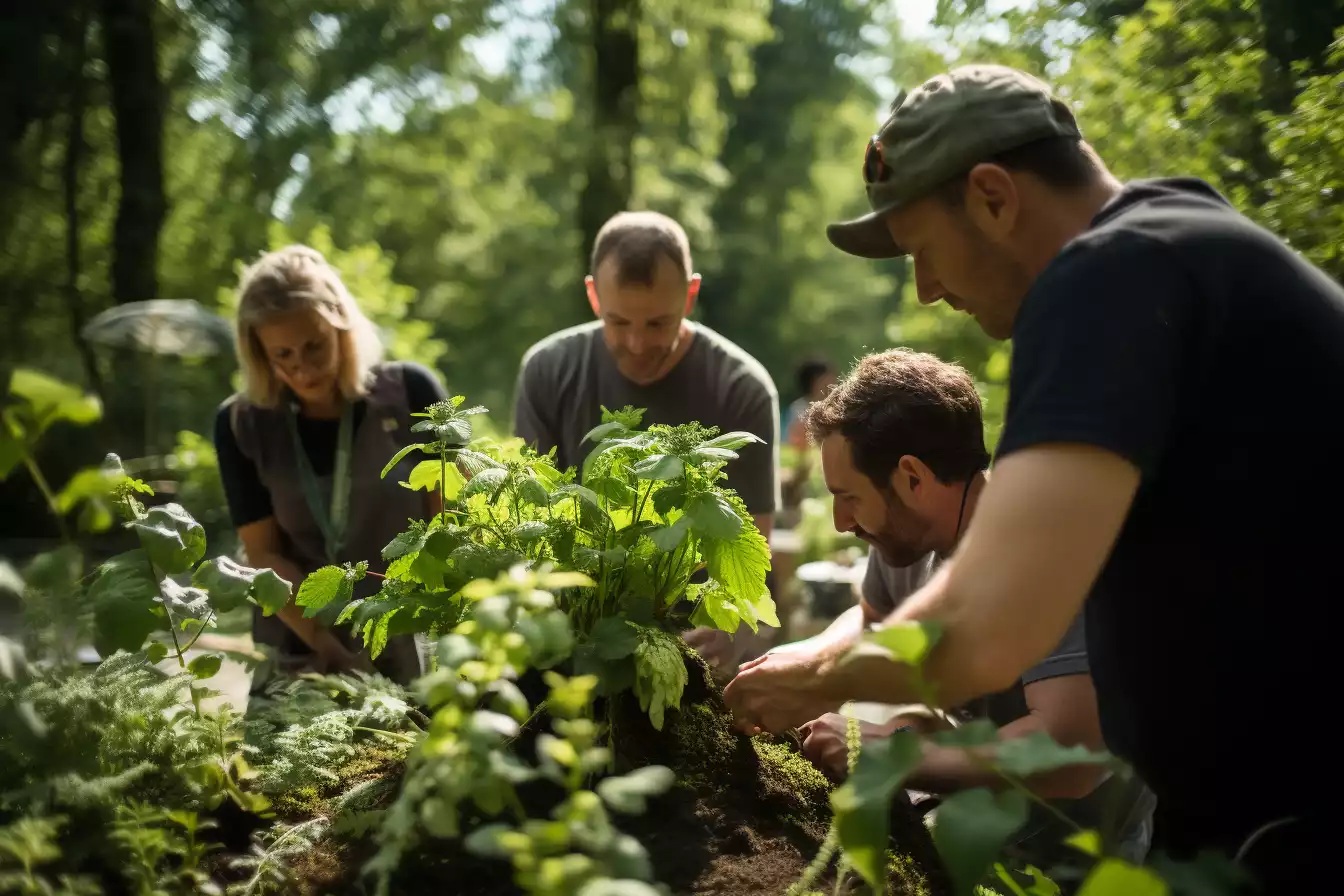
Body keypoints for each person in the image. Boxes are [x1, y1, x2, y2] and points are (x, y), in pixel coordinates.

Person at [724, 63, 1334, 889]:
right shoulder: (1174, 246)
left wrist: (815, 681)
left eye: (924, 251)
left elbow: (987, 626)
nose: (927, 290)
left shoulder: (1110, 277)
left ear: (993, 197)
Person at [749, 348, 1154, 876]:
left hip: (1075, 860)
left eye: (849, 497)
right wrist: (803, 665)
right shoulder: (903, 535)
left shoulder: (1041, 553)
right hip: (977, 828)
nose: (842, 521)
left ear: (912, 477)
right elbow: (873, 620)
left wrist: (891, 754)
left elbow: (1067, 753)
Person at [512, 211, 782, 670]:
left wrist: (730, 628)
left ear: (690, 295)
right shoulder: (548, 371)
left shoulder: (740, 389)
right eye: (618, 322)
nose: (637, 344)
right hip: (571, 637)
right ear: (593, 295)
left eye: (658, 324)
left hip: (688, 645)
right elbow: (530, 518)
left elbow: (749, 550)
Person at [214, 244, 448, 689]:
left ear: (341, 325)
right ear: (259, 354)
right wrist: (328, 646)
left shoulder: (410, 394)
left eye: (314, 346)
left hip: (417, 644)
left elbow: (450, 524)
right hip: (302, 655)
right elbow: (263, 554)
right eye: (282, 355)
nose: (302, 369)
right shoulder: (241, 425)